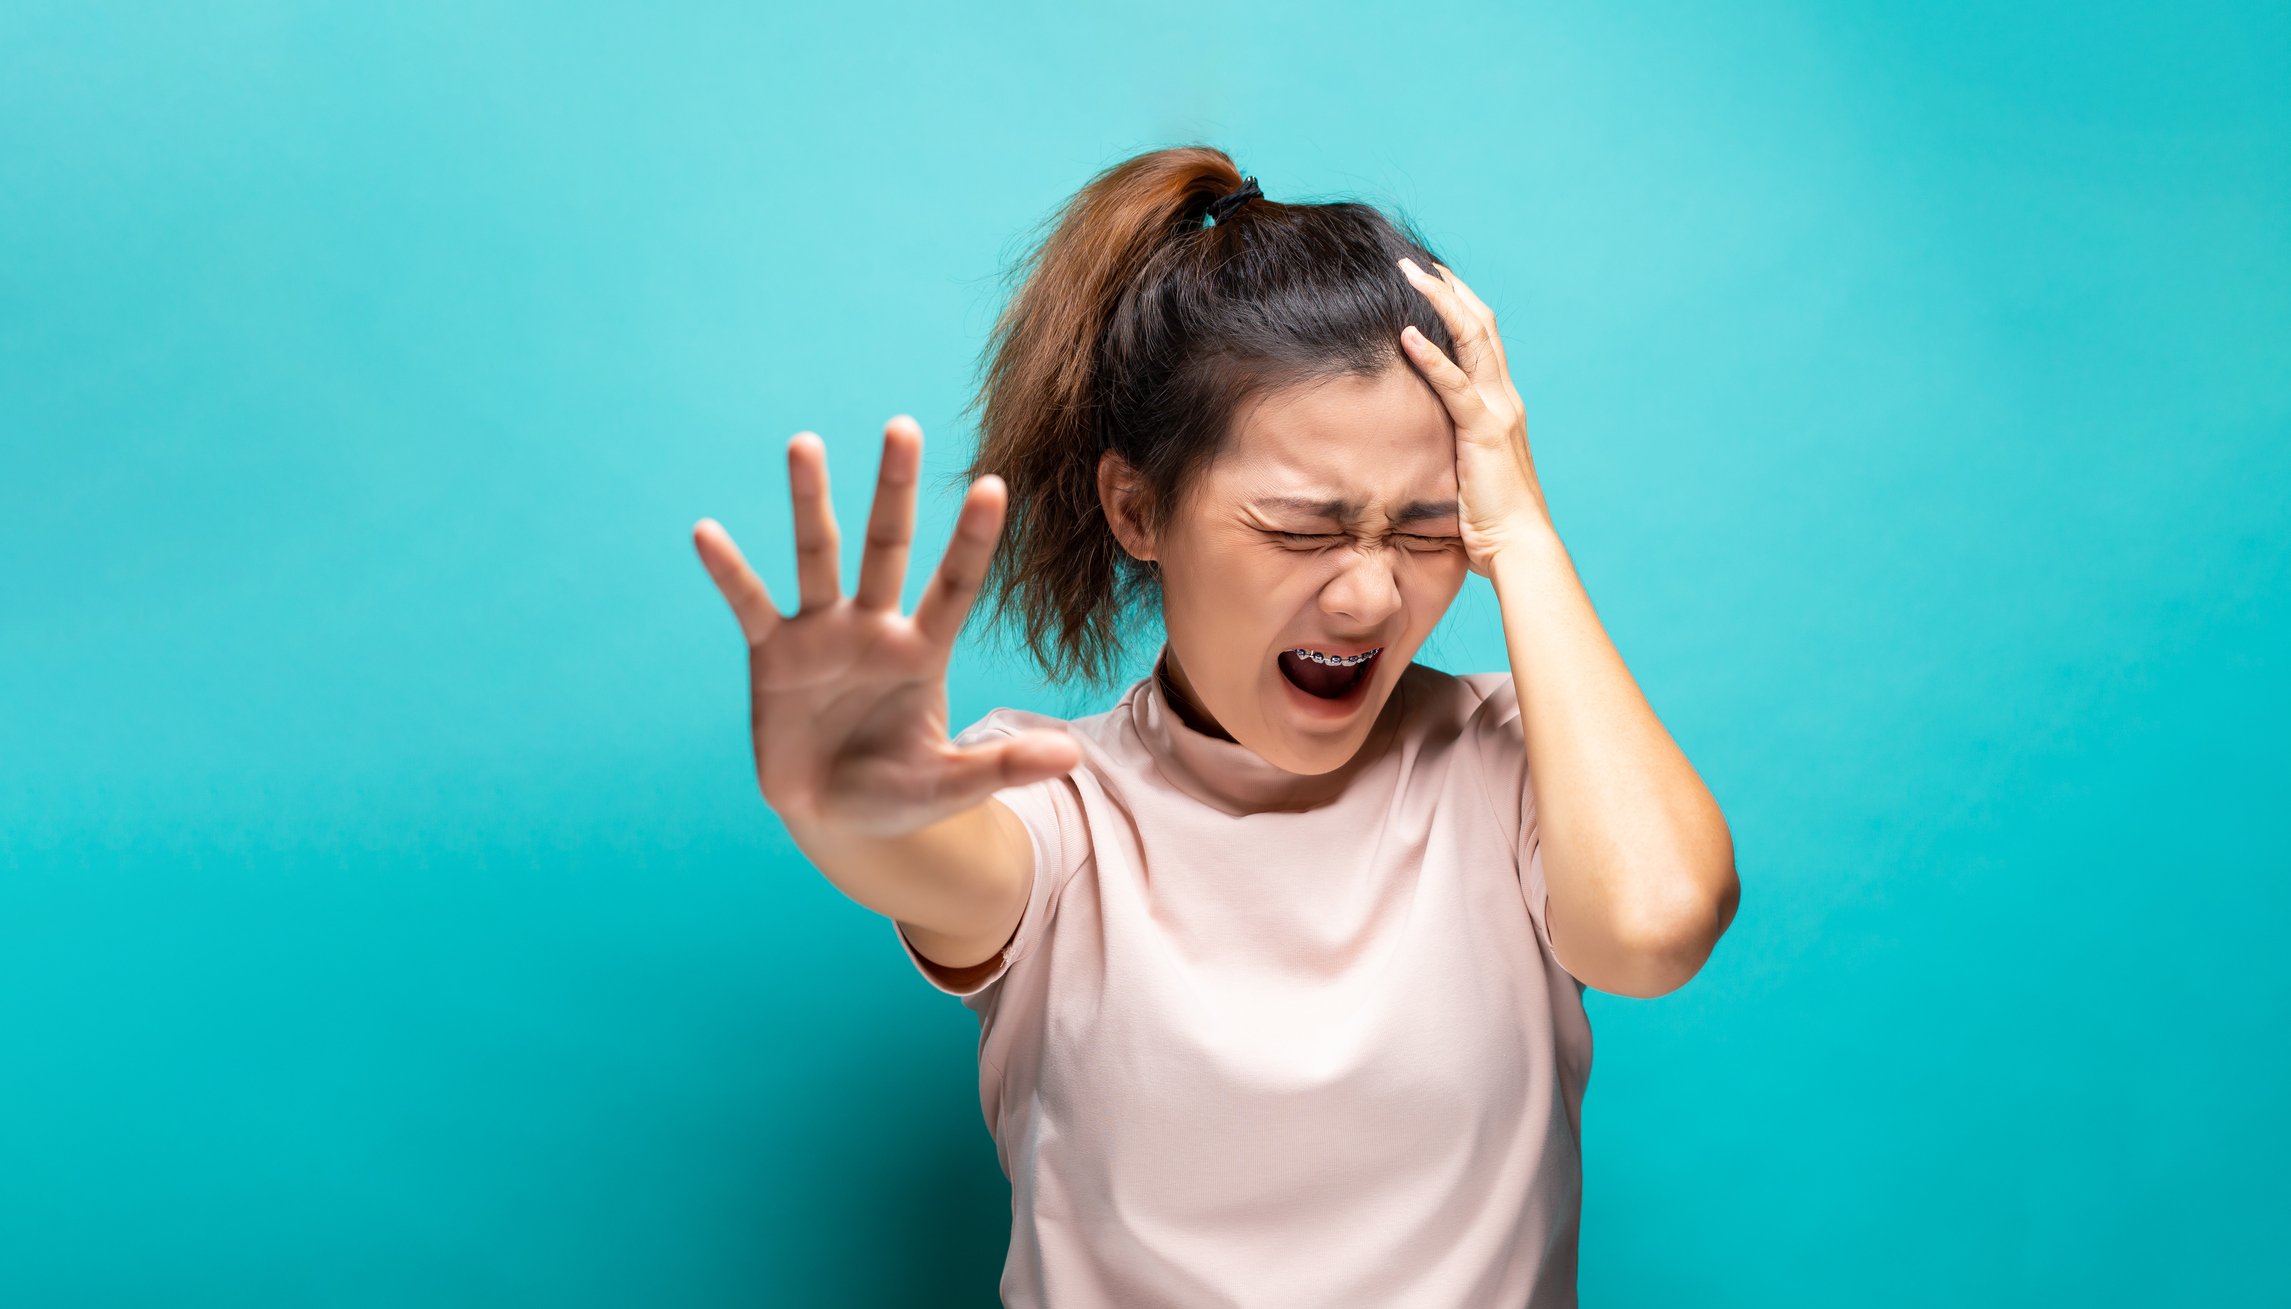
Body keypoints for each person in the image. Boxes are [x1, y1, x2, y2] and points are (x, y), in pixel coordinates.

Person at [691, 145, 1738, 1308]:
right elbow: (928, 852)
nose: (1368, 597)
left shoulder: (1517, 766)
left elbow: (1653, 926)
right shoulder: (1058, 805)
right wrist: (834, 798)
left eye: (1431, 529)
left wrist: (1522, 537)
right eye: (1302, 529)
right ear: (1137, 507)